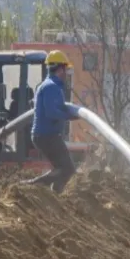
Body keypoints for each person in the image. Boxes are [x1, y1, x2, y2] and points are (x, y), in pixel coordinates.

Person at [26, 50, 79, 193]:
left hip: (46, 135)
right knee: (67, 169)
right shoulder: (51, 87)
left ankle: (54, 193)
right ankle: (32, 187)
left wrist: (68, 111)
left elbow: (55, 108)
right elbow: (51, 113)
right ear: (60, 69)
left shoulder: (49, 85)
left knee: (63, 169)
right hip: (47, 136)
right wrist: (71, 116)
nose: (67, 73)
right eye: (66, 69)